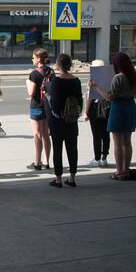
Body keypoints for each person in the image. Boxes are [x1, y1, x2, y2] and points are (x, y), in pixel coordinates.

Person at [89, 52, 136, 181]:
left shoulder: (118, 77)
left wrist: (97, 87)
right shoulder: (134, 76)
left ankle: (120, 172)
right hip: (130, 107)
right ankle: (126, 169)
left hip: (118, 108)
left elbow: (110, 97)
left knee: (118, 142)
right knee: (127, 141)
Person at [46, 54, 83, 188]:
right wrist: (74, 115)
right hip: (72, 121)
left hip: (58, 121)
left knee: (58, 150)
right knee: (72, 149)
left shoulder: (57, 81)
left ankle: (58, 179)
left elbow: (54, 103)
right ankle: (72, 178)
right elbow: (80, 101)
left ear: (58, 65)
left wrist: (46, 95)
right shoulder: (76, 81)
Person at [26, 48, 52, 170]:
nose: (32, 59)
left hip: (36, 106)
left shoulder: (34, 73)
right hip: (47, 105)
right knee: (46, 134)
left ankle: (37, 162)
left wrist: (27, 82)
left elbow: (31, 92)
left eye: (33, 57)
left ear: (38, 59)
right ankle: (47, 161)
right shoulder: (51, 71)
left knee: (37, 134)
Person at [83, 59, 110, 167]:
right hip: (107, 107)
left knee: (96, 134)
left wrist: (86, 112)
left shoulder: (92, 80)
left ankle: (97, 158)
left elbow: (89, 97)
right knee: (106, 134)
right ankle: (104, 158)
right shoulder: (109, 78)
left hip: (95, 107)